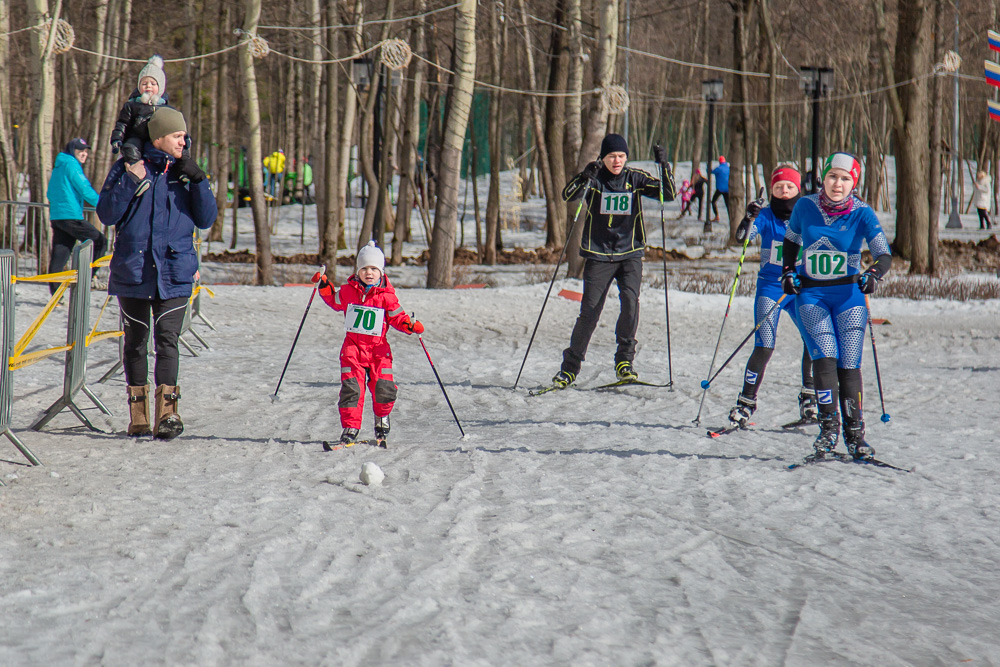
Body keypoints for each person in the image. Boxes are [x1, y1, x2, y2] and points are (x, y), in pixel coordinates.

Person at [96, 107, 216, 440]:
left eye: (185, 135)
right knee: (135, 343)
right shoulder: (128, 167)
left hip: (175, 272)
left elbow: (206, 219)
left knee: (168, 342)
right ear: (159, 137)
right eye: (177, 135)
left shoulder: (184, 173)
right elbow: (106, 213)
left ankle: (168, 416)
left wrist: (200, 180)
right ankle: (138, 417)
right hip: (133, 271)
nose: (184, 140)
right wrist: (132, 178)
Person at [781, 152, 892, 460]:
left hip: (848, 298)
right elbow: (790, 242)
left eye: (845, 179)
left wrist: (873, 274)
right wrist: (788, 272)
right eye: (833, 176)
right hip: (812, 296)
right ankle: (828, 431)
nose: (838, 184)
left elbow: (884, 254)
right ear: (823, 177)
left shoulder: (863, 213)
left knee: (850, 363)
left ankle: (855, 435)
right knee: (825, 358)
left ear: (853, 182)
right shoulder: (805, 206)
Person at [550, 133, 673, 389]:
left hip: (630, 254)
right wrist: (584, 176)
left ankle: (624, 362)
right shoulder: (595, 178)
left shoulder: (635, 178)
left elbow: (668, 195)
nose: (616, 161)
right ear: (602, 157)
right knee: (590, 312)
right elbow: (567, 196)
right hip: (599, 255)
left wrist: (664, 167)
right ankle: (569, 369)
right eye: (611, 156)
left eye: (621, 156)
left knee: (630, 302)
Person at [728, 165, 816, 427]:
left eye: (790, 186)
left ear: (798, 189)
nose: (784, 191)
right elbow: (741, 238)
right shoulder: (765, 216)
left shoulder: (808, 215)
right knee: (765, 344)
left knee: (813, 339)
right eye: (779, 187)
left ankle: (809, 400)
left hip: (801, 286)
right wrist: (748, 217)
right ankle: (746, 403)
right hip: (771, 287)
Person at [312, 241, 423, 447]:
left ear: (381, 272)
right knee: (351, 389)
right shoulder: (347, 291)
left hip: (378, 351)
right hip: (352, 349)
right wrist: (324, 287)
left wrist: (409, 325)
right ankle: (350, 427)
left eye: (373, 269)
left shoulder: (387, 296)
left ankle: (382, 418)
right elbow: (334, 300)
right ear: (358, 271)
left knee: (384, 388)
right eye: (364, 268)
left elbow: (397, 317)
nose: (368, 273)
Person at [46, 137, 104, 293]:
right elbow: (84, 189)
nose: (84, 154)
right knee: (100, 241)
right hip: (71, 216)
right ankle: (87, 277)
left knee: (61, 253)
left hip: (58, 217)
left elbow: (50, 192)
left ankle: (56, 294)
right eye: (80, 151)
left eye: (86, 151)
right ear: (72, 151)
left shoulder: (59, 165)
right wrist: (104, 205)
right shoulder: (71, 164)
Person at [109, 56, 170, 166]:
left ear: (160, 87)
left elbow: (175, 126)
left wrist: (184, 139)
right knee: (130, 148)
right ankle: (135, 171)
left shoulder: (165, 108)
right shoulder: (132, 105)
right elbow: (122, 123)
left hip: (156, 139)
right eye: (144, 83)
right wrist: (117, 138)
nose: (148, 86)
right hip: (135, 138)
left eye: (153, 83)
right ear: (139, 86)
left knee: (158, 151)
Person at [711, 156, 730, 222]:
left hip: (720, 189)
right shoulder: (728, 168)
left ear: (719, 161)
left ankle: (717, 216)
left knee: (713, 201)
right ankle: (731, 218)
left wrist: (707, 166)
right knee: (728, 204)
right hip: (727, 189)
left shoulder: (719, 169)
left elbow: (711, 171)